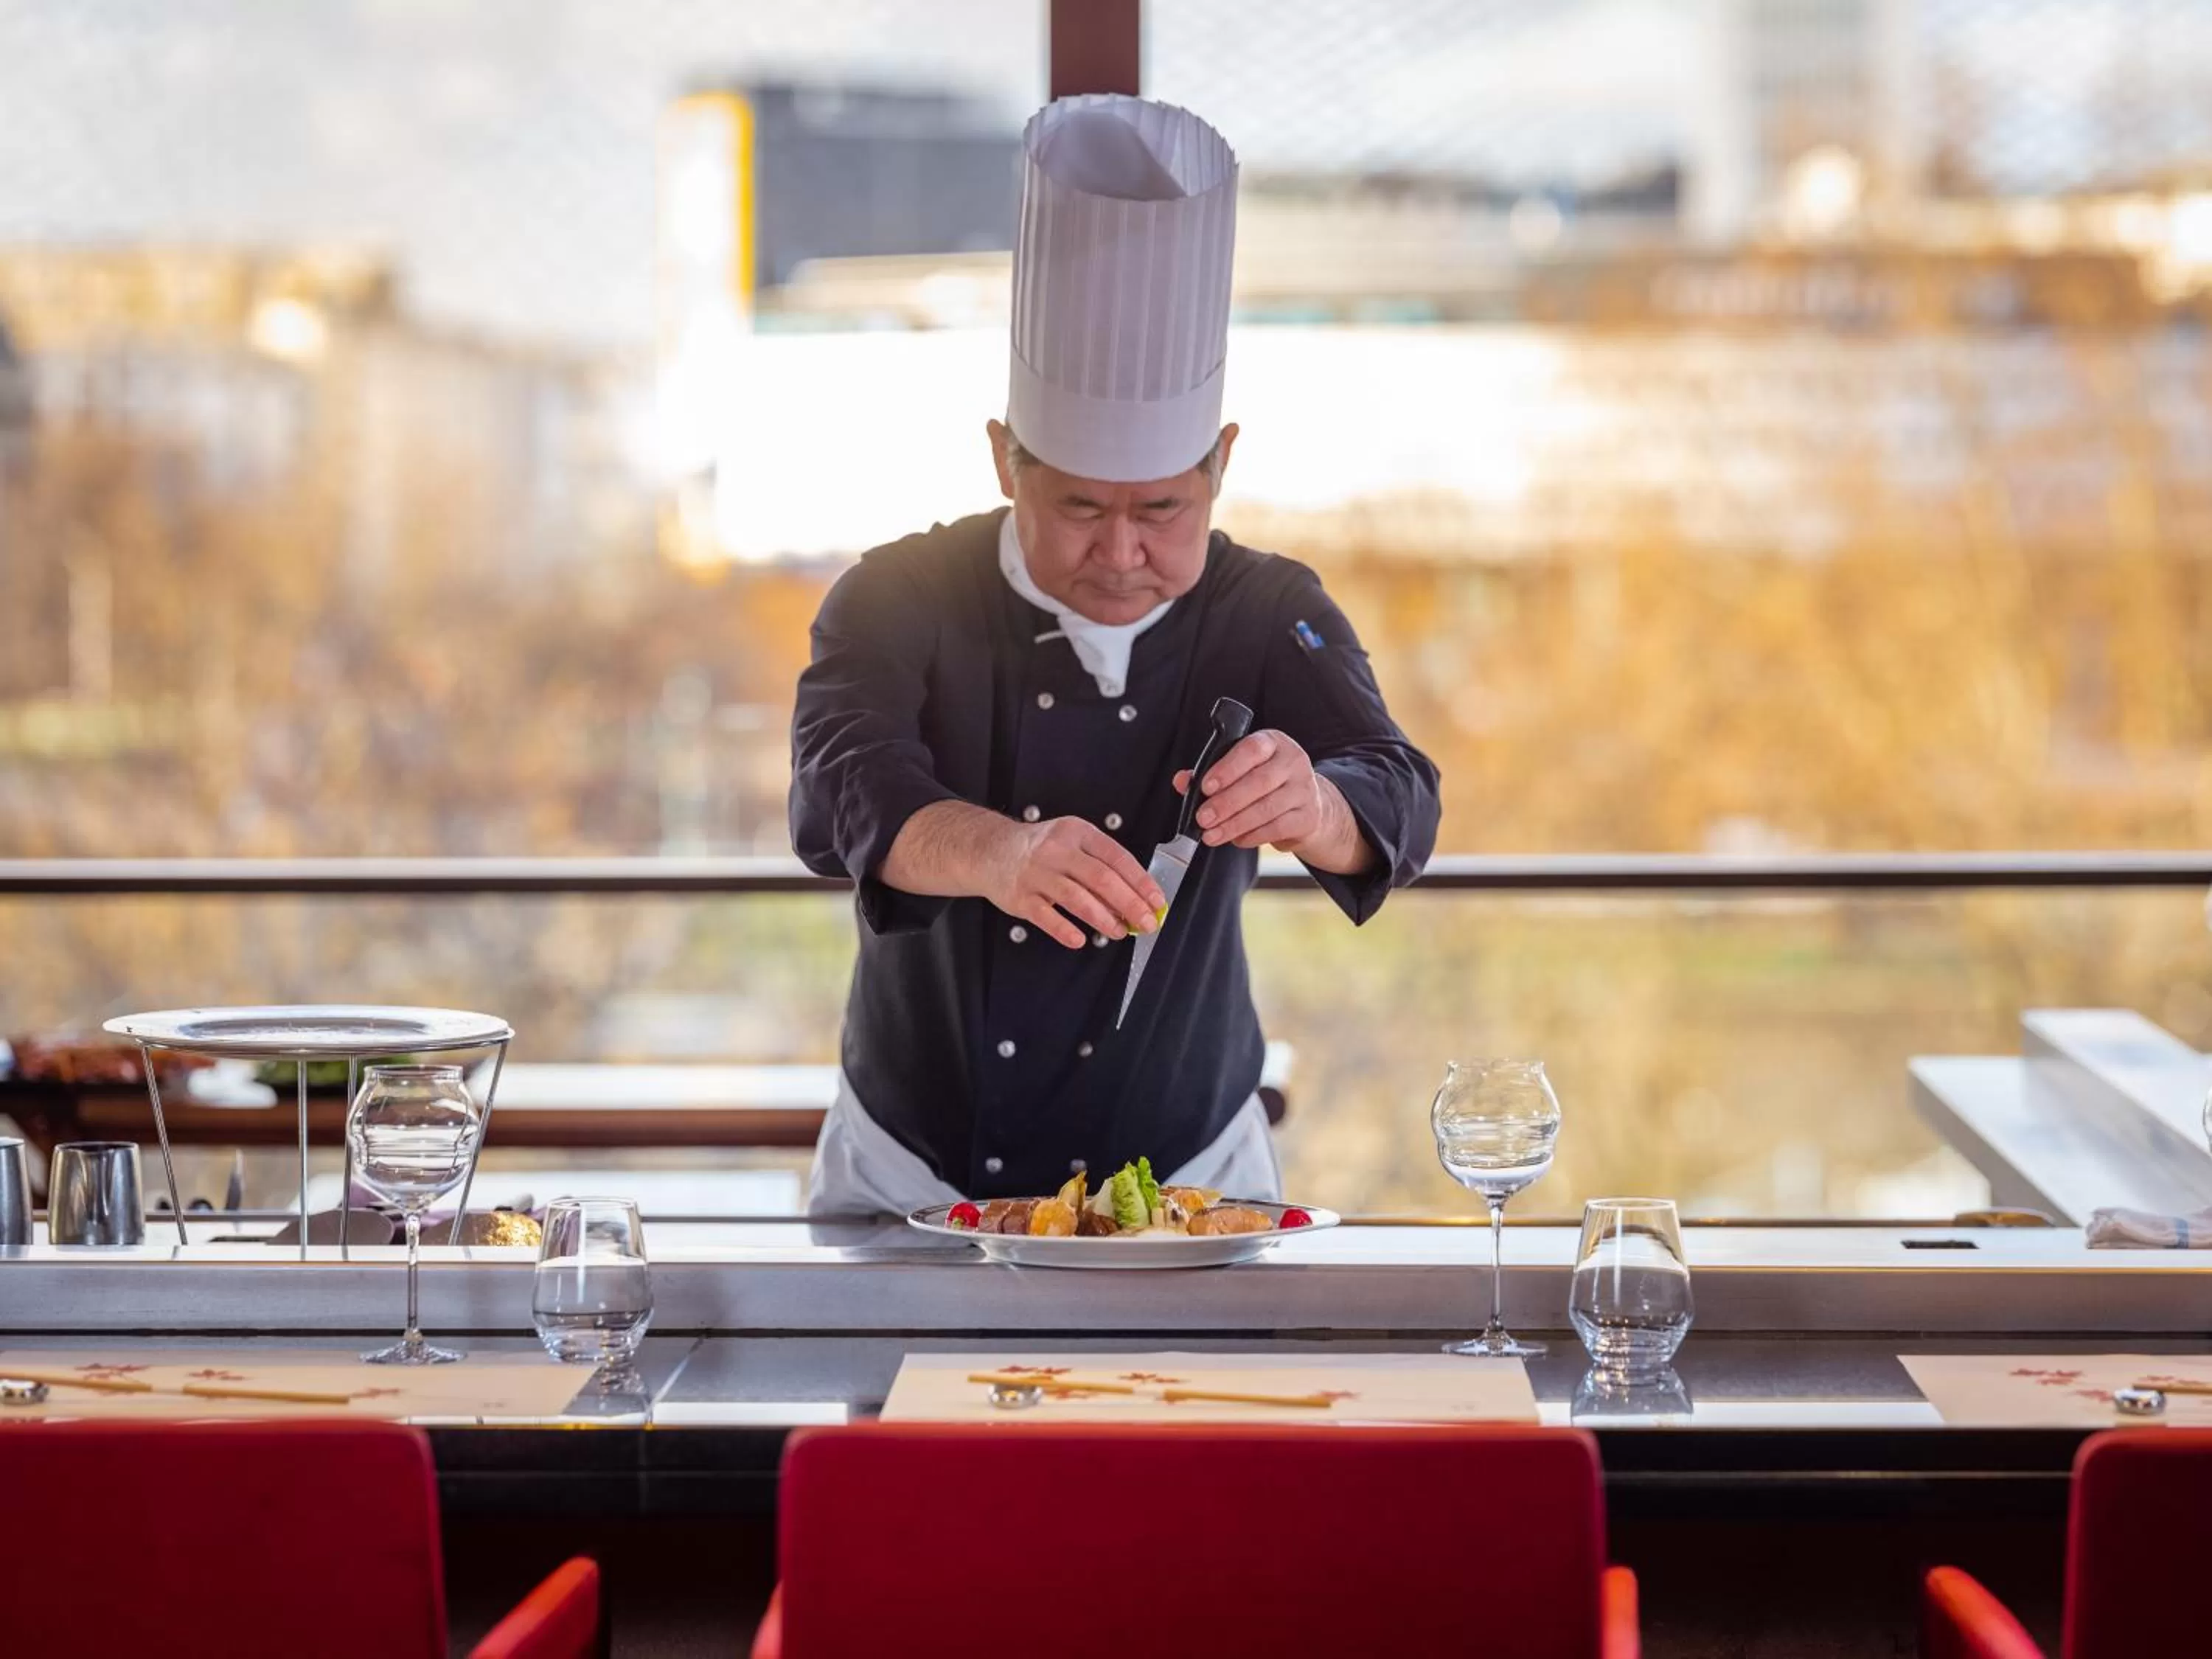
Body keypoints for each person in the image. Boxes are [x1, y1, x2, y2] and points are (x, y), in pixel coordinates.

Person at [790, 94, 1440, 1217]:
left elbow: (1401, 790)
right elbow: (837, 785)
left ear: (1221, 464)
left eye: (1164, 509)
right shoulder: (897, 593)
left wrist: (1316, 804)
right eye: (1082, 508)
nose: (1124, 552)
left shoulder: (1267, 608)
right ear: (1006, 460)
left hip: (1192, 1177)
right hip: (910, 1170)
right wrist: (997, 851)